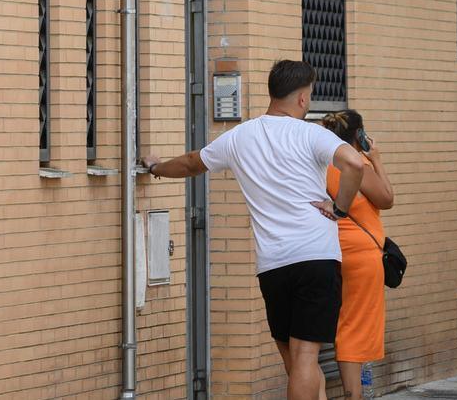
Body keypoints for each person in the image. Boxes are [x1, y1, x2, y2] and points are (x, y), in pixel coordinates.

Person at [143, 61, 366, 400]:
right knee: (306, 357)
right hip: (316, 257)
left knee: (295, 362)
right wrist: (340, 208)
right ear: (303, 99)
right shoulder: (312, 134)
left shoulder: (239, 137)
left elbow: (191, 162)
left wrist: (156, 167)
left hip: (273, 264)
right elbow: (353, 162)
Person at [319, 111, 395, 400]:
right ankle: (354, 395)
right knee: (355, 327)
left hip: (330, 251)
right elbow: (387, 198)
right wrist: (375, 158)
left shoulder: (321, 165)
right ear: (359, 136)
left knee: (343, 323)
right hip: (360, 256)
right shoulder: (356, 164)